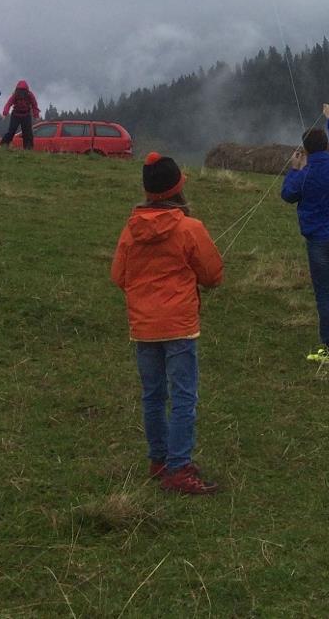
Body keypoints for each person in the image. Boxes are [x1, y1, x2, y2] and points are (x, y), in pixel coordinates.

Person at [110, 152, 224, 495]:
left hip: (144, 326)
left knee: (153, 395)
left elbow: (118, 276)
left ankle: (159, 460)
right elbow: (213, 276)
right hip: (179, 326)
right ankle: (178, 467)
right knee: (183, 395)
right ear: (177, 189)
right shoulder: (190, 228)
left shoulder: (131, 229)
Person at [280, 104, 329, 362]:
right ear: (326, 147)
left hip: (318, 244)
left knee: (324, 294)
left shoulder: (304, 174)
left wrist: (295, 168)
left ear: (306, 151)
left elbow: (287, 194)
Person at [0, 80, 40, 147]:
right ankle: (3, 145)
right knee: (12, 131)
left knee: (27, 133)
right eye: (20, 91)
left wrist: (36, 115)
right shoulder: (16, 95)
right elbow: (9, 104)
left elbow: (34, 105)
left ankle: (28, 148)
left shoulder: (29, 95)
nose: (22, 93)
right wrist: (5, 113)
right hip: (16, 115)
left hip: (25, 115)